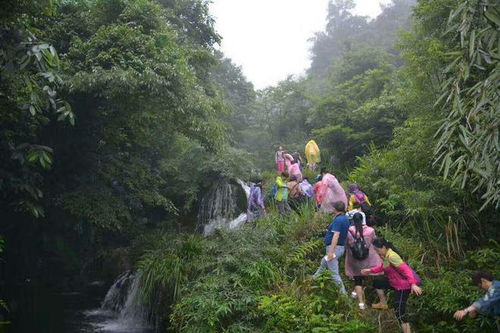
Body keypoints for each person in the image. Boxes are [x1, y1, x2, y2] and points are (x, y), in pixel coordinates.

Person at [361, 238, 423, 333]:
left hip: (403, 285)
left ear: (384, 247)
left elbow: (406, 270)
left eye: (378, 250)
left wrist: (413, 284)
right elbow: (384, 267)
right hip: (394, 281)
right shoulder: (387, 255)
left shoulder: (392, 256)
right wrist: (369, 271)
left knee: (399, 312)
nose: (377, 252)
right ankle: (383, 303)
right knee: (378, 282)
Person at [345, 213, 382, 310]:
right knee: (365, 275)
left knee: (358, 280)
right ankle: (355, 294)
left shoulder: (349, 230)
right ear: (363, 220)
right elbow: (374, 242)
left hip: (354, 260)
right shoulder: (371, 230)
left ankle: (361, 303)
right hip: (366, 259)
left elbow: (347, 243)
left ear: (352, 220)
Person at [313, 201, 350, 294]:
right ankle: (314, 278)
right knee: (323, 262)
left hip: (334, 248)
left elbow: (336, 235)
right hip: (340, 247)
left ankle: (343, 295)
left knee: (334, 273)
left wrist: (331, 252)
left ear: (335, 209)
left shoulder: (338, 220)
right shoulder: (344, 218)